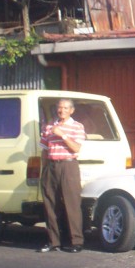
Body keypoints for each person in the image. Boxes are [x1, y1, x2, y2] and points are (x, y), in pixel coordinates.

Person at [38, 98, 87, 253]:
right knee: (50, 204)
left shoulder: (77, 127)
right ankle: (54, 241)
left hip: (68, 165)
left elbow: (76, 148)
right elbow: (44, 150)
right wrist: (44, 169)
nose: (62, 111)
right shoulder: (49, 126)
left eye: (66, 108)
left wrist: (63, 134)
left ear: (71, 110)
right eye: (60, 108)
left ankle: (76, 241)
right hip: (51, 166)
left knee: (71, 203)